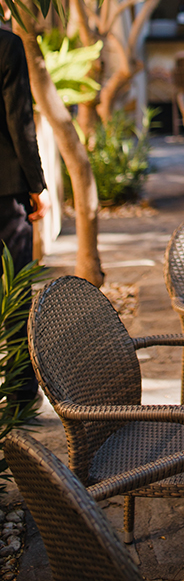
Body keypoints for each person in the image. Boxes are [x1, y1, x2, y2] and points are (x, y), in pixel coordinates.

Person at [0, 26, 47, 405]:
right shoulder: (6, 44)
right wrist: (35, 184)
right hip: (6, 189)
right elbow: (20, 118)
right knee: (16, 290)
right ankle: (19, 393)